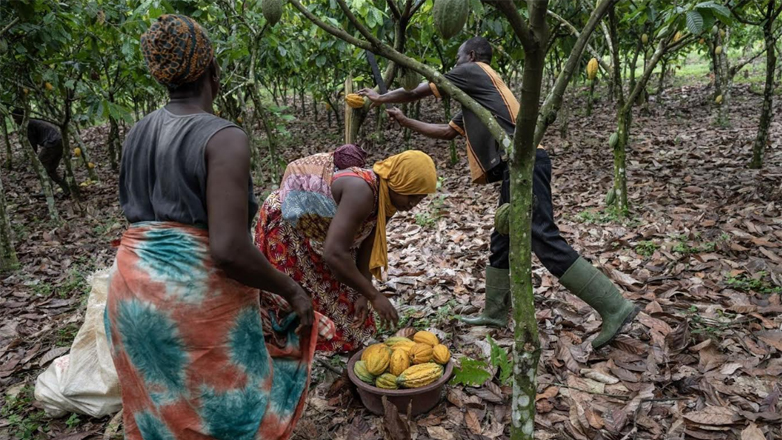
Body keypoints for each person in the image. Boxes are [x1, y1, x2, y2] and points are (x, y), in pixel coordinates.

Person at [105, 15, 319, 440]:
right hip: (191, 303)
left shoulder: (137, 131)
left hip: (129, 292)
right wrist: (292, 290)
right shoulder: (224, 138)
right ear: (213, 71)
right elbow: (227, 249)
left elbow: (145, 221)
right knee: (224, 417)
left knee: (162, 411)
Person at [359, 36, 638, 348]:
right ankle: (494, 313)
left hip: (525, 162)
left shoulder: (475, 70)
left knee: (541, 235)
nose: (454, 66)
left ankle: (615, 306)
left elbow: (417, 89)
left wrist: (380, 98)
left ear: (473, 55)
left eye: (458, 57)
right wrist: (405, 120)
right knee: (502, 238)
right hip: (515, 164)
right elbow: (448, 132)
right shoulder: (476, 95)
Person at [255, 149, 437, 354]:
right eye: (411, 195)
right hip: (291, 230)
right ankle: (294, 349)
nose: (413, 204)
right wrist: (374, 295)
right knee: (303, 299)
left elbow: (369, 242)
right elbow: (334, 254)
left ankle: (337, 348)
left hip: (331, 239)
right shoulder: (362, 193)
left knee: (352, 308)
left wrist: (364, 291)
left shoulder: (387, 199)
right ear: (398, 182)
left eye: (419, 199)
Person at [11, 108, 70, 196]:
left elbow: (32, 145)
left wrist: (32, 158)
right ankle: (66, 188)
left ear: (22, 117)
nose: (15, 121)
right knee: (50, 169)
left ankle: (47, 190)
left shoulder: (28, 125)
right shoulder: (32, 122)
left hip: (52, 142)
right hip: (59, 142)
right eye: (13, 118)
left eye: (16, 118)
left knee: (40, 165)